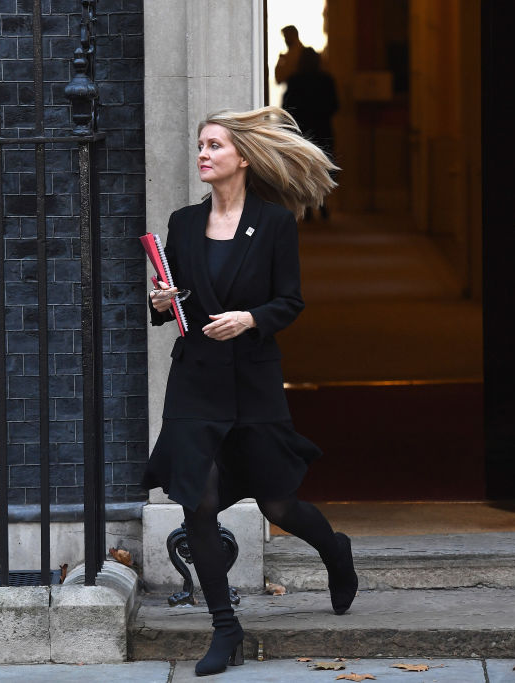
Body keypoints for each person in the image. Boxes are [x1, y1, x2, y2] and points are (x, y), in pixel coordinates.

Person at [142, 106, 358, 676]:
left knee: (276, 502)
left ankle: (334, 550)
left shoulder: (275, 223)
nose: (203, 154)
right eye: (200, 145)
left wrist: (250, 318)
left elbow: (290, 301)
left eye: (214, 145)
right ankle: (225, 628)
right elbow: (171, 300)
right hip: (196, 381)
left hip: (253, 382)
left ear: (243, 157)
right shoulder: (183, 223)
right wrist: (161, 302)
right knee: (197, 503)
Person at [282, 46, 339, 220]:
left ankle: (307, 210)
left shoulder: (294, 80)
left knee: (304, 170)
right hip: (322, 129)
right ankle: (322, 205)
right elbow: (335, 105)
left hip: (303, 131)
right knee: (322, 169)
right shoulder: (326, 80)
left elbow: (287, 107)